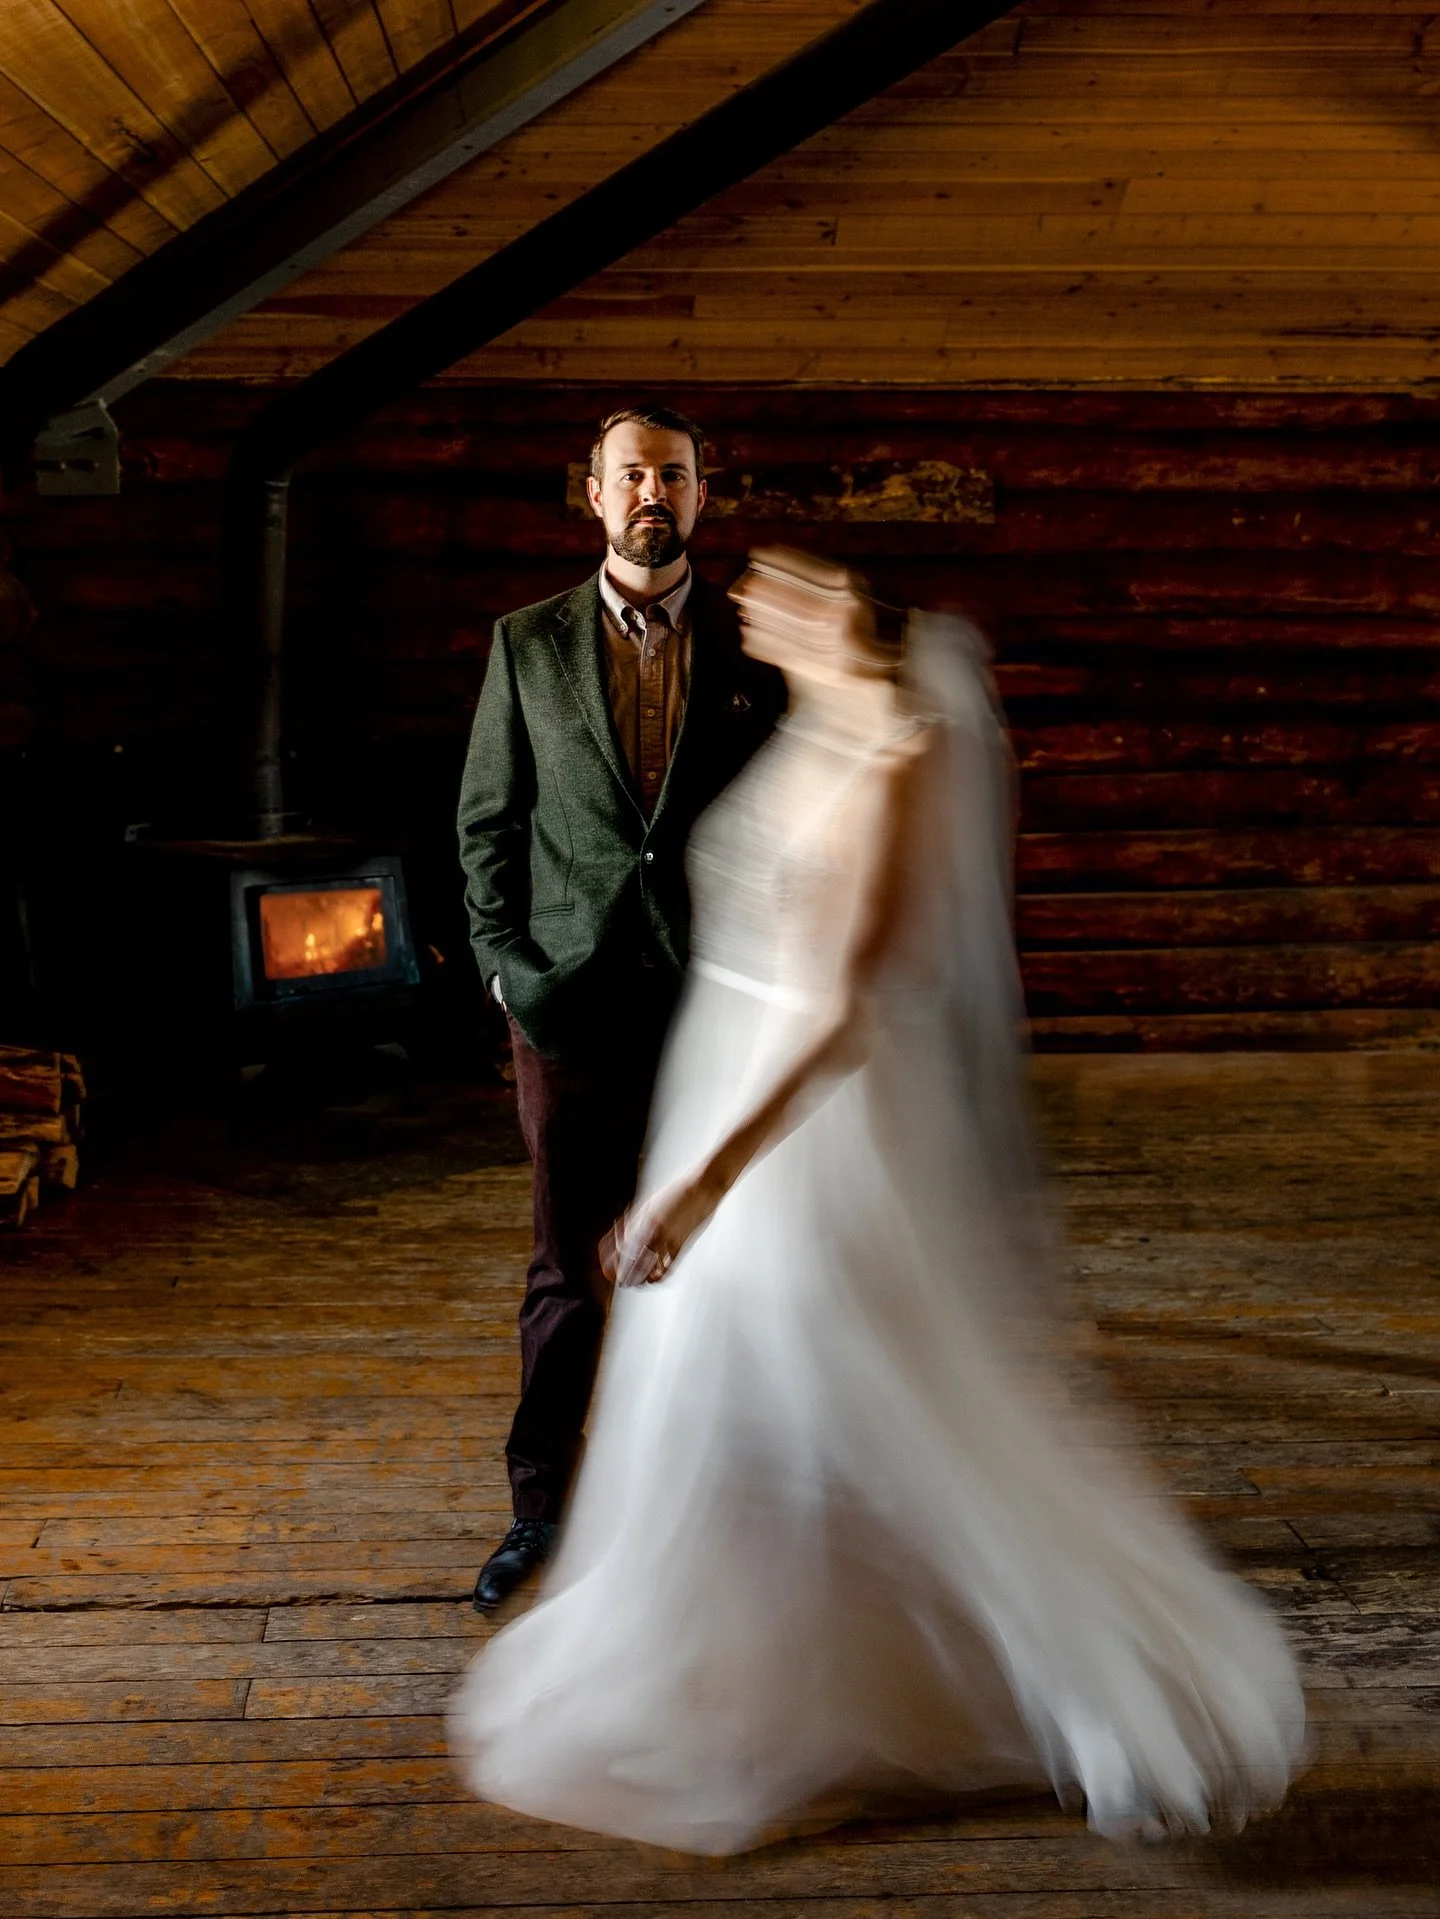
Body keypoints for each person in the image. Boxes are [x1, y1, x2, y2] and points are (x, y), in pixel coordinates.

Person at [450, 549, 1304, 1851]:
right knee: (738, 1409)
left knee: (838, 1399)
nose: (760, 601)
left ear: (874, 618)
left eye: (803, 591)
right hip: (726, 1089)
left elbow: (845, 1006)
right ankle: (770, 1676)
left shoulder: (899, 757)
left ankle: (1090, 1678)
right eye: (769, 588)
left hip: (811, 1138)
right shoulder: (805, 724)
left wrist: (704, 1181)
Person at [457, 407, 783, 1611]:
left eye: (677, 475)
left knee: (721, 1250)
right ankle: (539, 1505)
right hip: (569, 1003)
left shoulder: (757, 640)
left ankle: (705, 1502)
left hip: (716, 1001)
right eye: (632, 473)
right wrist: (508, 967)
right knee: (566, 1262)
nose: (656, 491)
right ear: (590, 495)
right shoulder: (526, 642)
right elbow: (487, 820)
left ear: (704, 496)